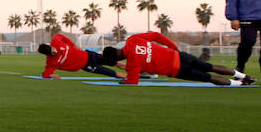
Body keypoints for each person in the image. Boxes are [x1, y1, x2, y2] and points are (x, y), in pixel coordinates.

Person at [103, 32, 252, 86]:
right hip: (178, 55)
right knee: (210, 66)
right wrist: (172, 45)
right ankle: (244, 76)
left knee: (209, 78)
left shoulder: (132, 65)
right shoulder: (133, 39)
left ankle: (241, 84)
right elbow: (155, 35)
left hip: (177, 70)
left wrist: (124, 80)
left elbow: (133, 82)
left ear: (115, 56)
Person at [38, 32, 120, 79]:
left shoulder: (56, 41)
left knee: (116, 63)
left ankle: (132, 73)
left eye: (53, 50)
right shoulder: (51, 62)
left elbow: (60, 36)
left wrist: (73, 45)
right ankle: (129, 78)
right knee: (113, 73)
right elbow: (45, 75)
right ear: (47, 55)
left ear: (51, 46)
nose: (55, 52)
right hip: (87, 65)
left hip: (89, 54)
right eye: (52, 53)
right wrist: (53, 75)